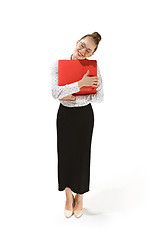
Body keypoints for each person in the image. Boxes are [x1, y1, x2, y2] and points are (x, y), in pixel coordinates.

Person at [51, 32, 104, 218]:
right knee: (65, 153)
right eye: (82, 45)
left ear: (92, 53)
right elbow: (55, 93)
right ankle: (67, 195)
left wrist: (74, 95)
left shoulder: (93, 68)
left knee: (82, 154)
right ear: (77, 42)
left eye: (88, 50)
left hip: (84, 116)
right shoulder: (59, 65)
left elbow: (100, 96)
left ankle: (80, 195)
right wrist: (80, 84)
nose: (82, 51)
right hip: (65, 115)